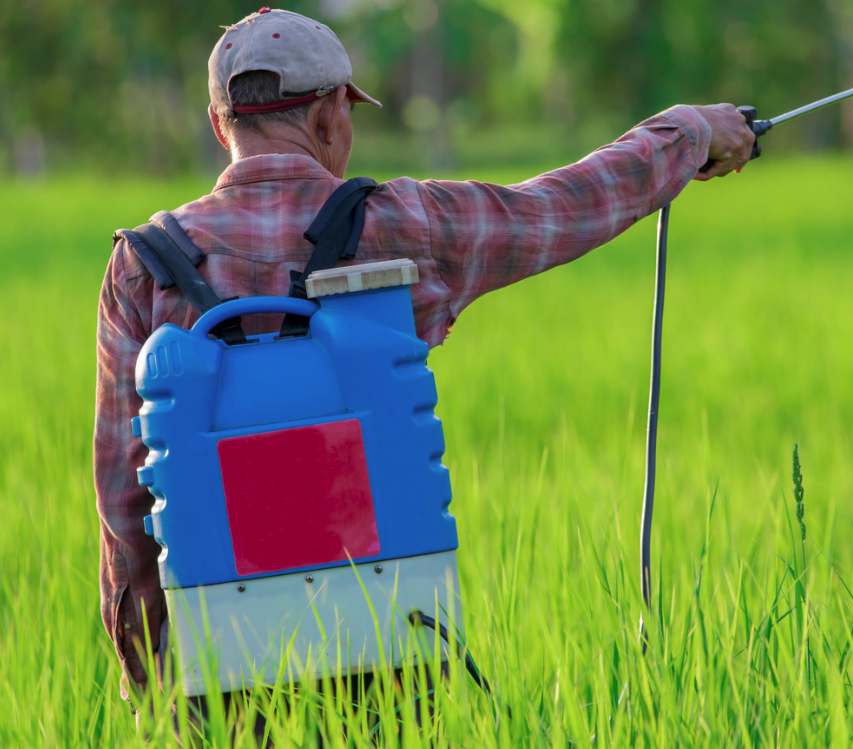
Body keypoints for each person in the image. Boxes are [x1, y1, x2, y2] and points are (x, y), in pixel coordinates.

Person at [93, 5, 755, 718]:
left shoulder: (142, 266)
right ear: (327, 119)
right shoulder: (403, 225)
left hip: (218, 658)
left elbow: (123, 496)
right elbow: (566, 207)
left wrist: (155, 677)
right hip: (393, 646)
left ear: (221, 125)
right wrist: (686, 133)